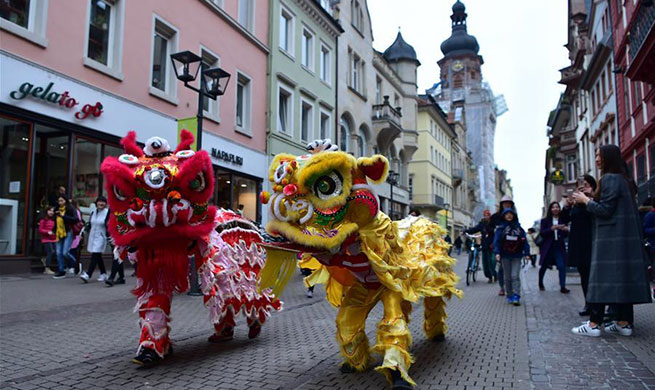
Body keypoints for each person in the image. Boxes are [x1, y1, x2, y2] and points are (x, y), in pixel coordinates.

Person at [571, 145, 652, 337]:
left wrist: (586, 201)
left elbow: (605, 210)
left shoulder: (609, 179)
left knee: (601, 279)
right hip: (624, 240)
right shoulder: (625, 180)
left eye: (599, 155)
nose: (597, 159)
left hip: (610, 240)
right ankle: (623, 323)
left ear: (608, 158)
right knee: (622, 279)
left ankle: (593, 324)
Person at [564, 174, 597, 316]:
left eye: (586, 185)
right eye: (580, 185)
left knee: (593, 276)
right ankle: (588, 304)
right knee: (584, 275)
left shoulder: (593, 200)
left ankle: (597, 306)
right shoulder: (576, 204)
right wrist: (567, 206)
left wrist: (589, 199)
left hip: (592, 241)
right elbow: (566, 219)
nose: (583, 188)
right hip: (578, 243)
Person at [493, 208, 531, 306]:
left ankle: (516, 295)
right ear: (504, 216)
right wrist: (497, 253)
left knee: (515, 275)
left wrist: (527, 253)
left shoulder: (519, 228)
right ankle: (509, 295)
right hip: (505, 255)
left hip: (517, 255)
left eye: (511, 214)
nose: (509, 216)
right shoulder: (500, 228)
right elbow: (496, 241)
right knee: (507, 277)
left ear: (514, 216)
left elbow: (524, 241)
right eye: (507, 214)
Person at [538, 201, 570, 293]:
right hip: (548, 247)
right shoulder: (545, 221)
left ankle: (563, 286)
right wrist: (551, 229)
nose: (555, 209)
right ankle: (540, 282)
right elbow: (542, 233)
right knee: (544, 266)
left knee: (561, 266)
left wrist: (565, 230)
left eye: (557, 207)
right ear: (550, 209)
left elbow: (565, 235)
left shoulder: (562, 220)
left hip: (558, 246)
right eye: (553, 207)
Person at [490, 196, 518, 295]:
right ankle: (502, 287)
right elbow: (490, 229)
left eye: (509, 203)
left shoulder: (514, 216)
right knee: (500, 267)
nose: (507, 204)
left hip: (511, 246)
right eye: (505, 203)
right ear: (501, 204)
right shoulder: (495, 217)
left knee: (511, 270)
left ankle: (511, 287)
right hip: (499, 245)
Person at [80, 196, 110, 283]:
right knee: (98, 256)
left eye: (103, 202)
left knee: (95, 254)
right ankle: (103, 273)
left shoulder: (107, 213)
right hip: (92, 236)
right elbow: (89, 224)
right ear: (96, 203)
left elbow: (109, 225)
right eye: (99, 202)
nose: (101, 204)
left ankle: (88, 274)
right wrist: (82, 233)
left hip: (101, 237)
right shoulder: (93, 212)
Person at [465, 210, 496, 284]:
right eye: (485, 215)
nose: (486, 216)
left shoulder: (493, 224)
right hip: (485, 246)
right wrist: (466, 230)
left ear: (490, 216)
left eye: (487, 215)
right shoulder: (482, 224)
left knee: (491, 262)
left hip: (492, 246)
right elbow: (474, 229)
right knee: (485, 263)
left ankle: (494, 274)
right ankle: (489, 276)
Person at [53, 196, 79, 279]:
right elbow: (54, 221)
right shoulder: (56, 209)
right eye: (59, 200)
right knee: (58, 253)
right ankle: (61, 271)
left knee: (65, 252)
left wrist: (63, 216)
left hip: (68, 231)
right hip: (58, 232)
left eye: (62, 200)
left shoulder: (70, 208)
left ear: (65, 201)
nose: (60, 202)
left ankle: (76, 263)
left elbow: (75, 219)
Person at [38, 206, 57, 275]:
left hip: (54, 239)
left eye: (52, 211)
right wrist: (47, 232)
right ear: (46, 211)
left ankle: (45, 260)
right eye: (50, 211)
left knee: (54, 252)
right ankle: (47, 268)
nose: (51, 212)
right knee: (51, 252)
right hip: (46, 239)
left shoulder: (54, 220)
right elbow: (40, 229)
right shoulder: (43, 220)